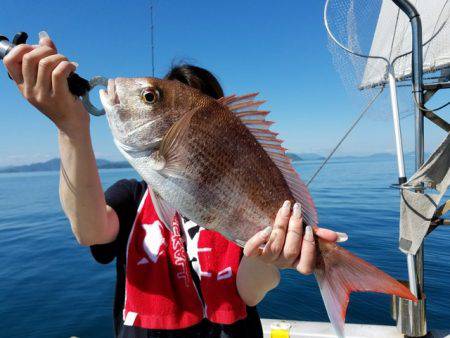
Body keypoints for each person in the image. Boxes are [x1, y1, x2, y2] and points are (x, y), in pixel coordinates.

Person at [3, 32, 339, 338]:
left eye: (148, 97)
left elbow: (249, 294)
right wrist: (70, 127)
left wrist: (271, 256)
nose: (133, 93)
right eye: (152, 97)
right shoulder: (131, 197)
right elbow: (88, 230)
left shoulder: (240, 212)